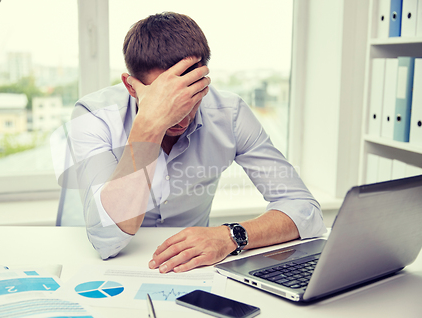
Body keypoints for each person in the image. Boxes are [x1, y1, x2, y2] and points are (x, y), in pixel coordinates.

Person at [69, 12, 326, 274]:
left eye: (191, 93)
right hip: (117, 266)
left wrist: (230, 236)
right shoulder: (93, 115)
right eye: (164, 96)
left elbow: (307, 212)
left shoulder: (230, 113)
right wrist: (149, 124)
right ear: (131, 86)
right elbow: (105, 240)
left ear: (204, 80)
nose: (180, 113)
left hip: (196, 268)